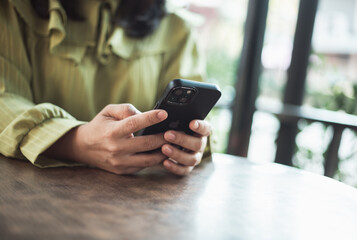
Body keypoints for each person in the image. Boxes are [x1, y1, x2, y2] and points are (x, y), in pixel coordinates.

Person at [0, 0, 212, 175]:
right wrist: (74, 142)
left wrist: (192, 143)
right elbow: (4, 100)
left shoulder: (176, 28)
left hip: (139, 203)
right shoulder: (11, 9)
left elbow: (200, 119)